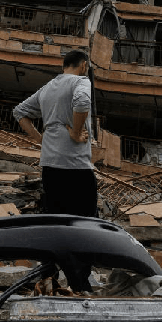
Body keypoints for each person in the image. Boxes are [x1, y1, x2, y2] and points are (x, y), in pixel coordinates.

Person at [13, 50, 96, 217]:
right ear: (83, 65)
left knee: (57, 220)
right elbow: (82, 102)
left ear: (63, 66)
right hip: (75, 166)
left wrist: (40, 139)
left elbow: (19, 112)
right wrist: (76, 133)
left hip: (50, 167)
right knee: (86, 223)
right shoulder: (81, 81)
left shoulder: (47, 88)